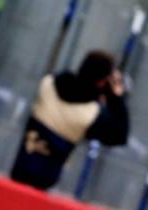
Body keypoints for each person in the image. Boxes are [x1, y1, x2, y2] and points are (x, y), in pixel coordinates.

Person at [10, 50, 130, 191]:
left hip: (14, 164)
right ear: (102, 82)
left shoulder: (47, 84)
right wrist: (116, 98)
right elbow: (120, 135)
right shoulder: (91, 115)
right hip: (44, 179)